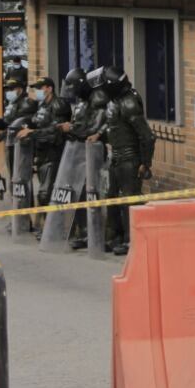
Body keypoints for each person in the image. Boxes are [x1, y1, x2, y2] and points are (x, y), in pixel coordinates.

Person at [101, 66, 154, 256]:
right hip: (116, 155)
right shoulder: (115, 102)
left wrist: (145, 163)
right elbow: (112, 127)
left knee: (129, 199)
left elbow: (147, 136)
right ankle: (114, 236)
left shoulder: (129, 103)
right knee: (112, 197)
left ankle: (131, 239)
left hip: (130, 157)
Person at [58, 68, 110, 251]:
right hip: (77, 152)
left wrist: (71, 129)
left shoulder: (98, 99)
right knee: (78, 193)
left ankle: (95, 233)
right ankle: (82, 231)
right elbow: (79, 125)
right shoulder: (81, 102)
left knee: (92, 192)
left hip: (92, 154)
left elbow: (93, 129)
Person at [17, 75, 71, 214]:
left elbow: (56, 130)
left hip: (54, 153)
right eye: (36, 89)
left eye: (40, 88)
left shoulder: (59, 104)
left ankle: (50, 230)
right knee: (44, 192)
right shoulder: (41, 105)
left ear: (50, 88)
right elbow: (35, 123)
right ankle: (46, 228)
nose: (37, 91)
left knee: (46, 194)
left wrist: (32, 132)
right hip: (41, 154)